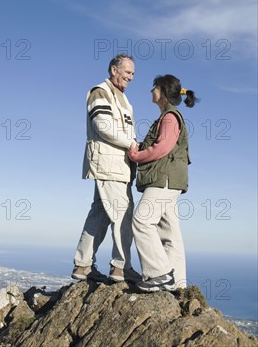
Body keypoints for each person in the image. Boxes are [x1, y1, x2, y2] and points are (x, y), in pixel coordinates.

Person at [72, 54, 141, 283]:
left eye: (132, 73)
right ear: (114, 69)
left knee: (100, 214)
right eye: (127, 72)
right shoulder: (100, 92)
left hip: (117, 166)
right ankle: (121, 267)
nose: (130, 77)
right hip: (109, 165)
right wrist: (132, 144)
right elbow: (102, 126)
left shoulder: (122, 98)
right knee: (123, 215)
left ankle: (82, 266)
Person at [128, 74, 197, 292]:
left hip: (163, 180)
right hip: (172, 181)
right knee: (169, 232)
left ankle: (158, 275)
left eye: (154, 87)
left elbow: (161, 148)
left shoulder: (169, 118)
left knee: (141, 221)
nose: (151, 91)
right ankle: (177, 284)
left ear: (163, 92)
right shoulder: (168, 117)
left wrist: (135, 156)